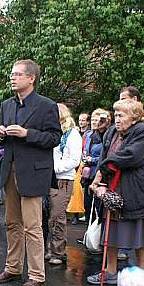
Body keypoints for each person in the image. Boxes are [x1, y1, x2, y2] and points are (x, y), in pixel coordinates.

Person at [0, 59, 62, 286]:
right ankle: (12, 267)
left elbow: (54, 138)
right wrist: (1, 133)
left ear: (31, 78)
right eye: (12, 74)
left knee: (32, 226)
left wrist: (26, 133)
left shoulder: (46, 105)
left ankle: (36, 275)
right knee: (12, 223)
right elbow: (1, 140)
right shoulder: (6, 105)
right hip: (9, 169)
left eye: (18, 74)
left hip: (33, 172)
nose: (12, 78)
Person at [88, 99, 144, 285]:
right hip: (114, 188)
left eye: (122, 115)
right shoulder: (112, 131)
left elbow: (130, 156)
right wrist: (99, 178)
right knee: (111, 231)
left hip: (138, 190)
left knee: (141, 231)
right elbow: (105, 154)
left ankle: (141, 274)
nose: (117, 119)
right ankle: (110, 271)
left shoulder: (143, 131)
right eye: (116, 115)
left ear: (135, 118)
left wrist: (102, 170)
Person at [47, 104, 82, 265]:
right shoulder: (53, 132)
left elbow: (74, 160)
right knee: (48, 215)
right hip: (49, 178)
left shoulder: (72, 134)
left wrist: (55, 168)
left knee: (57, 215)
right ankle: (51, 248)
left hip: (64, 179)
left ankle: (58, 251)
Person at [82, 109, 111, 225]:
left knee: (99, 207)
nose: (94, 122)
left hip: (99, 174)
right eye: (93, 119)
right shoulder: (89, 135)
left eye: (97, 119)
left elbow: (106, 155)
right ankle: (89, 234)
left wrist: (92, 160)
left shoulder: (107, 135)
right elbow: (85, 149)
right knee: (87, 205)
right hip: (88, 175)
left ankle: (99, 234)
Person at [66, 112, 90, 225]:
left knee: (78, 190)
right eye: (80, 120)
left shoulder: (89, 134)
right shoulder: (75, 132)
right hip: (73, 163)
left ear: (87, 122)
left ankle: (78, 214)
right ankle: (72, 213)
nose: (81, 122)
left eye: (83, 120)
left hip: (82, 164)